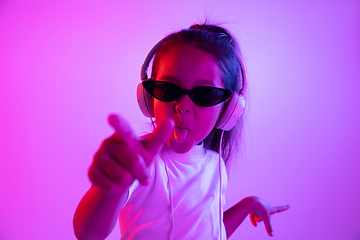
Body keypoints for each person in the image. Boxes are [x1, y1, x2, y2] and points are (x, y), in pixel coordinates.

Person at [73, 23, 289, 240]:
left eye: (205, 94)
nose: (182, 105)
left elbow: (211, 232)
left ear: (228, 109)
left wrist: (247, 205)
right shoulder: (140, 162)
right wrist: (110, 190)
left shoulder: (216, 166)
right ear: (148, 98)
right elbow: (88, 233)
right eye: (167, 88)